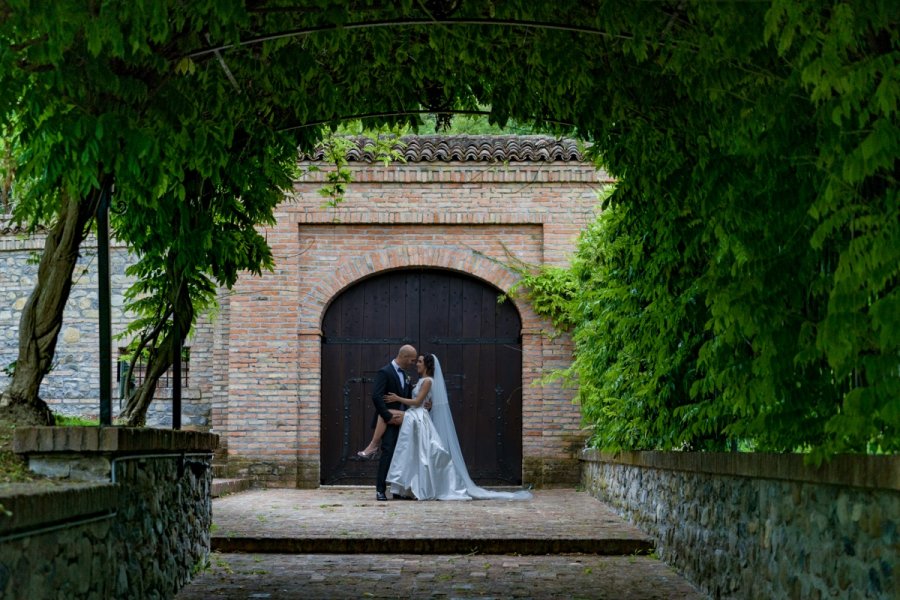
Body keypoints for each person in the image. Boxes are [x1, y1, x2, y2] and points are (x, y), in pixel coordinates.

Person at [386, 354, 532, 501]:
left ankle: (423, 487)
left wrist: (397, 399)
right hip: (415, 418)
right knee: (412, 453)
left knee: (423, 454)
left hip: (418, 418)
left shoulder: (428, 381)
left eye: (419, 362)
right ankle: (407, 488)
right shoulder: (422, 381)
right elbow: (424, 402)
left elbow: (417, 401)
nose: (416, 364)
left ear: (427, 365)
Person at [371, 344, 418, 501]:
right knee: (388, 453)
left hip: (404, 421)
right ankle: (380, 490)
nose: (413, 363)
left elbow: (410, 397)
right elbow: (376, 396)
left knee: (402, 455)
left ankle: (398, 490)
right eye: (412, 360)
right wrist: (387, 417)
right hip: (389, 422)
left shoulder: (405, 375)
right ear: (404, 357)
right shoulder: (384, 372)